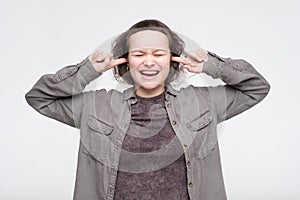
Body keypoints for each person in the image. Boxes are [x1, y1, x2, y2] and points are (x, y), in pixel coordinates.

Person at [25, 19, 270, 200]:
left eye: (159, 53)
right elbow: (39, 97)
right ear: (126, 61)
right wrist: (87, 70)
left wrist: (213, 66)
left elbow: (256, 88)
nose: (149, 61)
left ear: (172, 60)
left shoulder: (203, 101)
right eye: (139, 54)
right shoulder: (95, 105)